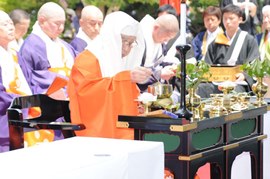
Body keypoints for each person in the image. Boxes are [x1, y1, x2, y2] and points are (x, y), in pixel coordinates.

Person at [68, 11, 152, 139]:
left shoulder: (120, 60)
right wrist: (125, 78)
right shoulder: (87, 59)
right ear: (112, 38)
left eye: (131, 43)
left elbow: (126, 96)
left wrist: (140, 104)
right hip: (96, 130)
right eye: (124, 42)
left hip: (123, 126)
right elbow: (87, 96)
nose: (127, 49)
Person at [197, 4, 260, 98]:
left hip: (238, 83)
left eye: (231, 18)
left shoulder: (248, 40)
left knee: (234, 91)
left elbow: (254, 63)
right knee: (201, 88)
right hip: (217, 83)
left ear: (240, 19)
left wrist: (244, 75)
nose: (227, 22)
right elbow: (207, 65)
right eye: (225, 18)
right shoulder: (216, 42)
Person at [19, 2, 77, 95]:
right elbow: (27, 80)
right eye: (57, 23)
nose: (61, 28)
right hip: (47, 102)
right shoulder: (30, 46)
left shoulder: (65, 46)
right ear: (42, 21)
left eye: (63, 23)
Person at [0, 10, 34, 152]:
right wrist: (21, 101)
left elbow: (29, 80)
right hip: (6, 113)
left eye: (11, 23)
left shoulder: (15, 53)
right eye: (5, 24)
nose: (11, 27)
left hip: (23, 107)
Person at [132, 13, 179, 92]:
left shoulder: (160, 43)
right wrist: (159, 73)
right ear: (156, 28)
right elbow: (135, 70)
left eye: (169, 38)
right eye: (166, 36)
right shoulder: (139, 39)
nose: (166, 40)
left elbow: (159, 63)